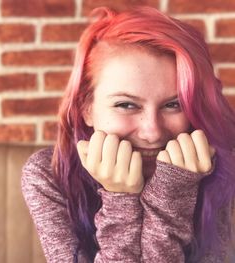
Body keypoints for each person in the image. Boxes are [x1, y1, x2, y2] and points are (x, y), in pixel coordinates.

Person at [21, 6, 235, 262]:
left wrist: (172, 193)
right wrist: (121, 200)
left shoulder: (223, 167)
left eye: (173, 104)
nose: (152, 131)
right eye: (126, 104)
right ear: (86, 108)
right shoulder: (49, 174)